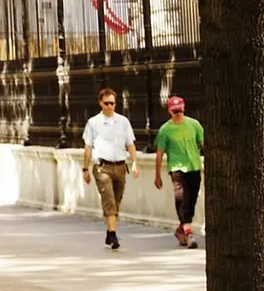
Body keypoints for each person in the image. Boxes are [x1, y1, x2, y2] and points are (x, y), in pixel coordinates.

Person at [82, 88, 139, 250]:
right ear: (100, 103)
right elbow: (88, 147)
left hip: (120, 166)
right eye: (106, 103)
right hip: (102, 167)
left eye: (112, 103)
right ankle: (113, 235)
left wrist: (135, 162)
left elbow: (130, 144)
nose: (109, 107)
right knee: (109, 200)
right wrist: (85, 169)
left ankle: (109, 230)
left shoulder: (123, 121)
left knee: (116, 201)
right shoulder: (93, 123)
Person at [151, 96, 205, 249]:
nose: (178, 114)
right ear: (169, 111)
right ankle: (189, 233)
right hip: (176, 169)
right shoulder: (165, 130)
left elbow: (203, 144)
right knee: (181, 200)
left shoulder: (194, 125)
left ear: (184, 108)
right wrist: (157, 176)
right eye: (175, 111)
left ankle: (181, 229)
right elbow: (160, 153)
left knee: (192, 201)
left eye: (180, 110)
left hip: (194, 167)